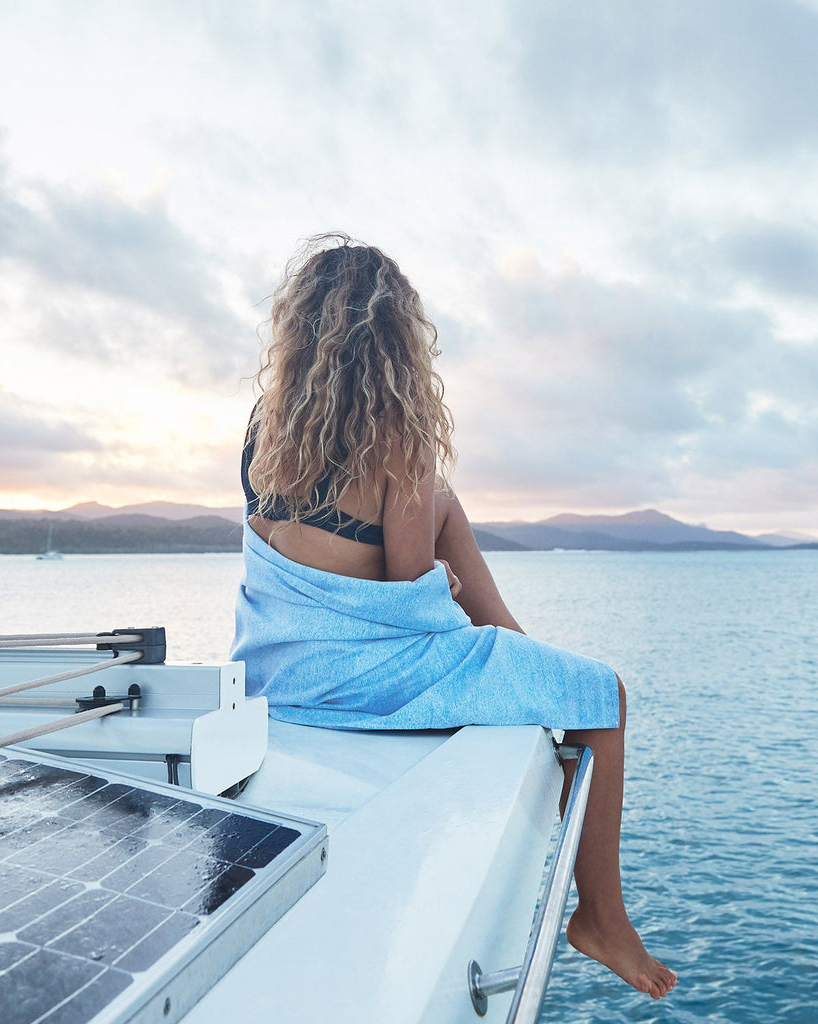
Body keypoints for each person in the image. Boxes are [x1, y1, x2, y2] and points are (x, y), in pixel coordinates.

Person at [231, 233, 677, 999]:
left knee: (444, 511)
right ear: (399, 344)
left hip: (273, 666)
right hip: (355, 681)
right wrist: (444, 581)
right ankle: (600, 915)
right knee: (604, 696)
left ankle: (518, 653)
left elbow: (299, 560)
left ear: (299, 333)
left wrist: (431, 535)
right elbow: (409, 605)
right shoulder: (397, 446)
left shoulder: (264, 430)